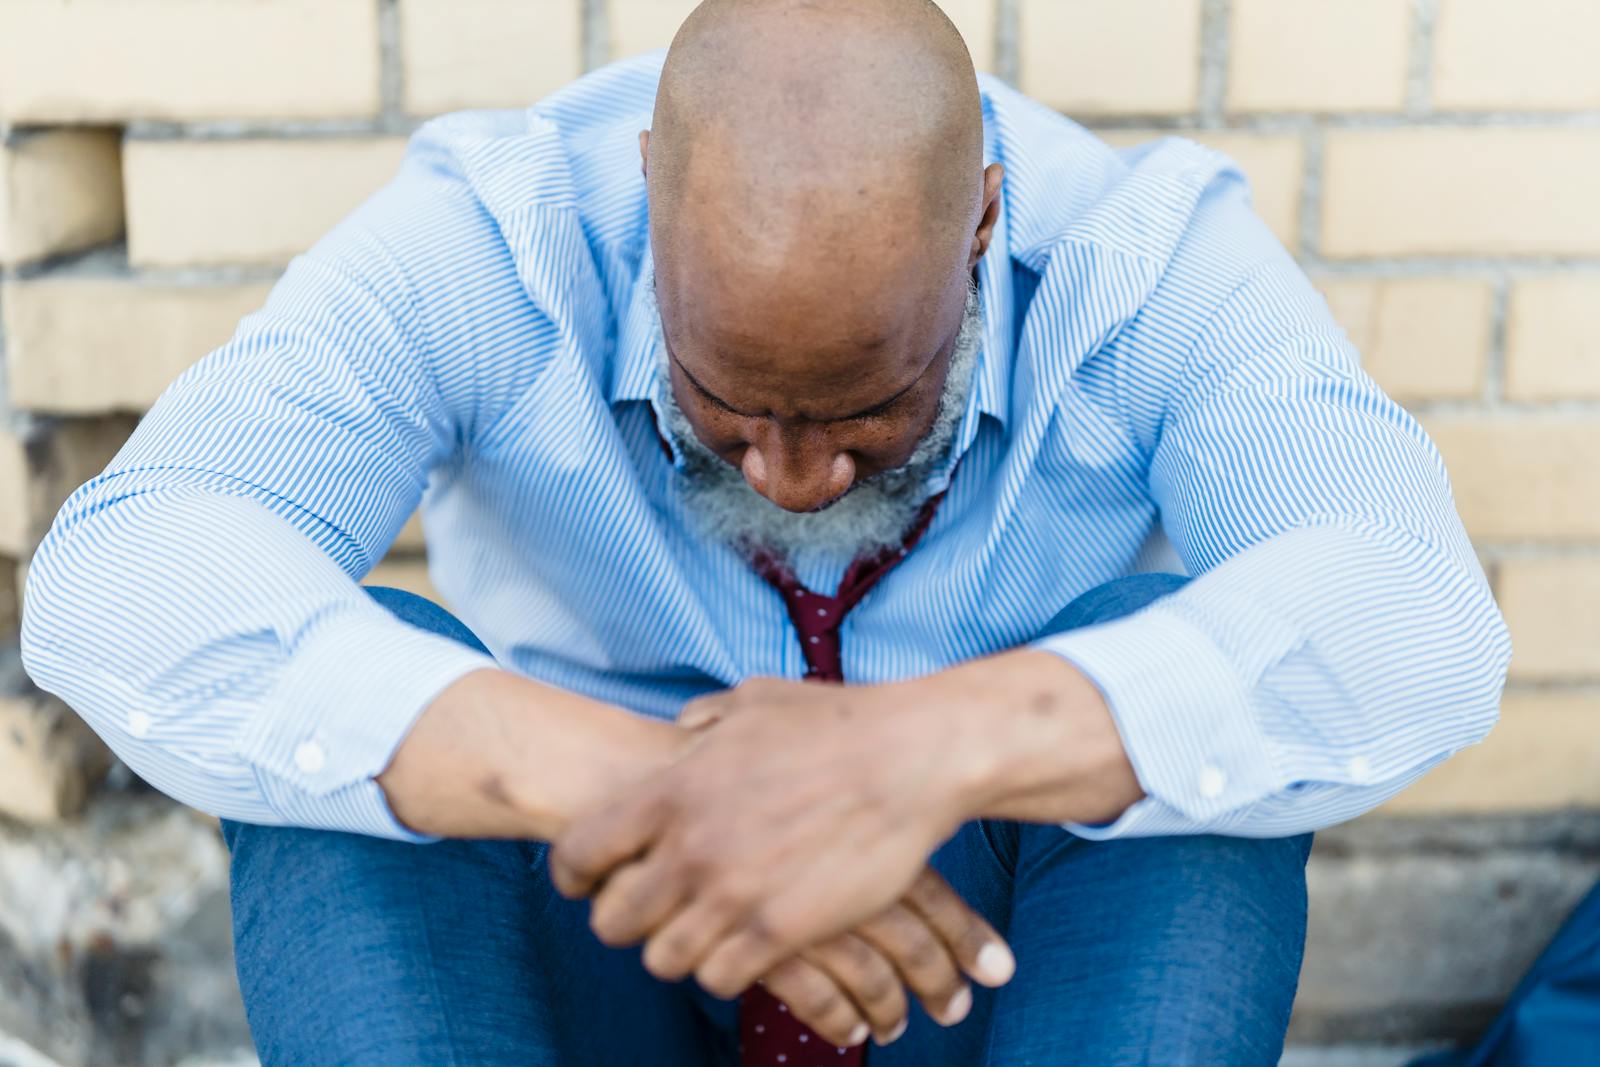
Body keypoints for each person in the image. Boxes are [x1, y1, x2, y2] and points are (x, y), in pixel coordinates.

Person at [21, 1, 1510, 1063]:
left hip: (963, 976)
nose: (795, 475)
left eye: (874, 405)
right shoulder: (499, 230)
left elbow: (1419, 613)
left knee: (1176, 714)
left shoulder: (1145, 265)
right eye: (726, 403)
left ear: (982, 224)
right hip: (600, 948)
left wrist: (921, 753)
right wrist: (669, 793)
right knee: (365, 694)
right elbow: (128, 563)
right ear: (648, 205)